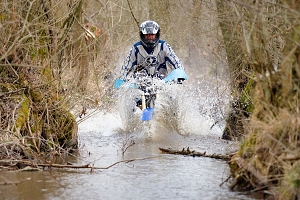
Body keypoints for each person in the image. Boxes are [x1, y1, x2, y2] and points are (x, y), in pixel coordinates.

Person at [120, 20, 185, 81]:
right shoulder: (136, 48)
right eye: (147, 35)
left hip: (161, 83)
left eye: (152, 35)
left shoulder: (164, 46)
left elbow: (175, 61)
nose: (149, 37)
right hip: (140, 84)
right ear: (142, 35)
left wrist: (180, 73)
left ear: (156, 34)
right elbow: (127, 67)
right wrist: (123, 80)